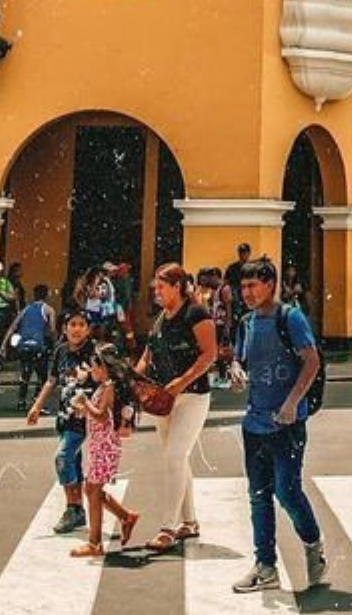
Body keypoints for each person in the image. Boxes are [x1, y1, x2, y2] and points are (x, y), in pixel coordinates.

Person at [229, 258, 327, 593]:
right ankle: (265, 566)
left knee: (287, 491)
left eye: (253, 285)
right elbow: (239, 360)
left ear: (271, 284)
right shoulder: (246, 323)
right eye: (243, 287)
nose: (247, 293)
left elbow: (311, 360)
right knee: (258, 496)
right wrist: (237, 372)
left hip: (287, 424)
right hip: (254, 422)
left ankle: (313, 545)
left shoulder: (290, 318)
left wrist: (290, 404)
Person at [135, 262, 217, 552]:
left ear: (178, 286)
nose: (156, 290)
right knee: (177, 459)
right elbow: (148, 354)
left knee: (173, 456)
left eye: (161, 285)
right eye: (155, 286)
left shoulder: (196, 313)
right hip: (163, 398)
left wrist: (181, 382)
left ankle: (167, 527)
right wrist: (136, 379)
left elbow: (210, 354)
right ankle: (190, 522)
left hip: (192, 396)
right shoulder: (161, 318)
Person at [27, 309, 96, 534]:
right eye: (72, 324)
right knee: (73, 462)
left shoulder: (95, 353)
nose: (76, 329)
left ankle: (73, 508)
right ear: (64, 329)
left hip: (84, 416)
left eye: (81, 324)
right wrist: (37, 406)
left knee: (63, 457)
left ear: (88, 329)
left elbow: (108, 382)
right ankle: (77, 509)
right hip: (65, 415)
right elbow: (51, 381)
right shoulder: (60, 351)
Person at [68, 344, 139, 558]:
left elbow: (100, 415)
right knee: (92, 490)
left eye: (94, 367)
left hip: (105, 447)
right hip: (99, 444)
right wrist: (83, 409)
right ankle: (126, 516)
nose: (92, 371)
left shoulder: (109, 387)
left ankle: (95, 543)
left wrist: (84, 402)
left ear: (104, 367)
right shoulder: (104, 386)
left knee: (92, 489)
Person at [1, 283, 57, 410]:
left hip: (23, 345)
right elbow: (52, 330)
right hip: (38, 345)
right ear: (47, 295)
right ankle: (37, 402)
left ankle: (21, 401)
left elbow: (12, 327)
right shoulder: (49, 309)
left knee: (25, 373)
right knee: (42, 375)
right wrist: (55, 344)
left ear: (34, 295)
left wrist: (3, 345)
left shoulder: (25, 309)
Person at [224, 242, 252, 336]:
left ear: (249, 253)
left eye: (245, 252)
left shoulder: (252, 268)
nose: (242, 255)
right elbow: (226, 282)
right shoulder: (232, 267)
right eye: (241, 252)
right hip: (235, 299)